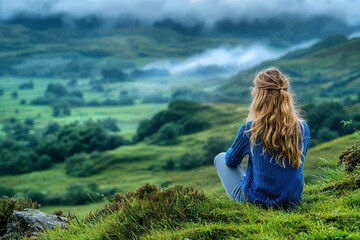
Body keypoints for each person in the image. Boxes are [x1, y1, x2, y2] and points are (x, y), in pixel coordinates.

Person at [214, 67, 310, 210]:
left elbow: (231, 161)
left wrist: (236, 148)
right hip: (292, 203)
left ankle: (251, 196)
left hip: (258, 203)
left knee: (221, 158)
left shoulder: (250, 129)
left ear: (258, 94)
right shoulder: (302, 128)